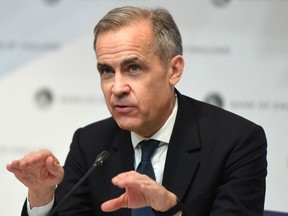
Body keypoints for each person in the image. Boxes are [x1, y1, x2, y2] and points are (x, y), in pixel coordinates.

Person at [6, 6, 267, 216]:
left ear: (173, 70)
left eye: (133, 68)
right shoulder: (90, 143)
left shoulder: (236, 142)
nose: (117, 88)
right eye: (106, 70)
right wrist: (42, 194)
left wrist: (170, 210)